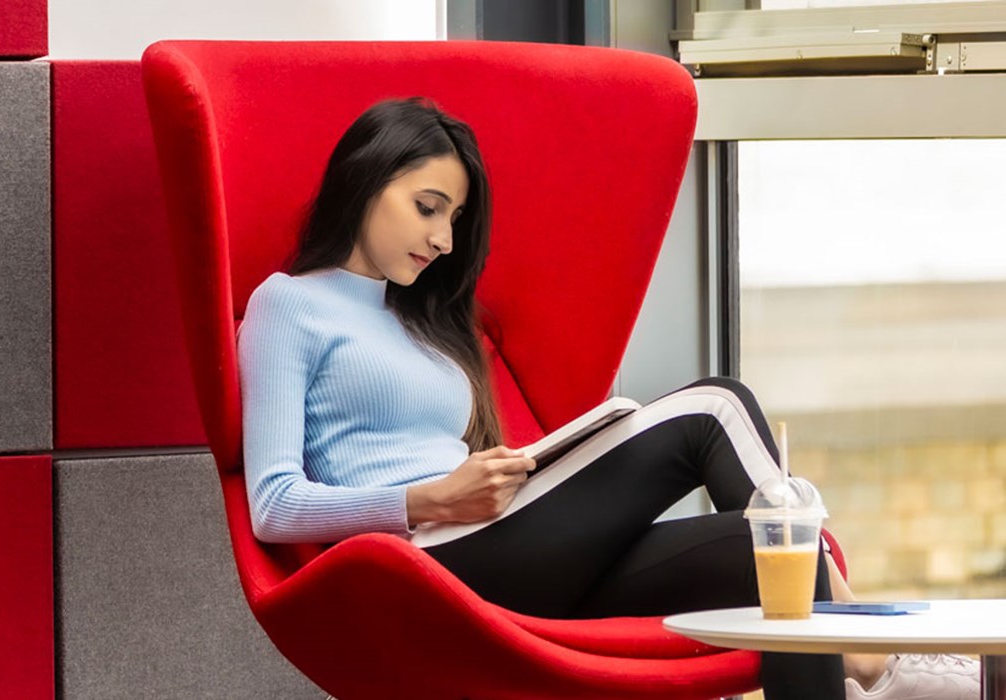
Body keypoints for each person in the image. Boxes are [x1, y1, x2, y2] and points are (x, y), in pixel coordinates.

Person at [237, 97, 981, 700]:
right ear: (367, 179)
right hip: (432, 561)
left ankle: (858, 662)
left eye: (456, 221)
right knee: (714, 408)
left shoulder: (417, 319)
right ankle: (879, 663)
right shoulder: (287, 307)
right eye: (428, 207)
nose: (443, 239)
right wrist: (426, 500)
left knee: (765, 554)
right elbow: (273, 504)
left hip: (504, 547)